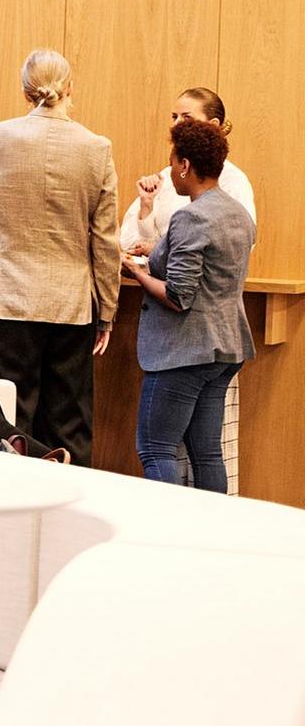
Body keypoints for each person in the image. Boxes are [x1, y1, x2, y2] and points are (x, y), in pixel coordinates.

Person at [0, 48, 120, 466]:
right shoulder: (97, 148)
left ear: (25, 91)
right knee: (70, 420)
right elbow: (104, 240)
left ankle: (8, 511)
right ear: (70, 88)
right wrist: (106, 310)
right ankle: (68, 510)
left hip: (11, 295)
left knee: (9, 415)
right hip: (72, 301)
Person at [120, 88, 256, 490]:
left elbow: (179, 295)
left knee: (155, 448)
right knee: (206, 452)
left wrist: (136, 272)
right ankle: (210, 539)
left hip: (185, 349)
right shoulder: (237, 213)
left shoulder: (190, 217)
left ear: (184, 166)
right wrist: (156, 249)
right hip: (225, 346)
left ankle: (169, 534)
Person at [120, 88, 255, 252]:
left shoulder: (234, 180)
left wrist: (157, 250)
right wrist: (147, 205)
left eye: (187, 117)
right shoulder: (168, 175)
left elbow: (238, 245)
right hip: (154, 273)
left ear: (212, 125)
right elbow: (130, 241)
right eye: (174, 117)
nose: (176, 124)